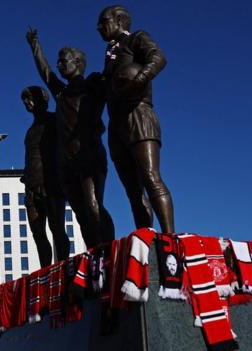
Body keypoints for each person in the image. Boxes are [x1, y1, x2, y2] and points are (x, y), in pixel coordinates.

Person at [25, 27, 115, 248]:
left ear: (77, 62)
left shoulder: (92, 86)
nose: (59, 64)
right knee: (80, 213)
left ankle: (109, 247)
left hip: (89, 154)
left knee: (93, 206)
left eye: (63, 61)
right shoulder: (60, 93)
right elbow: (45, 71)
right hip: (67, 161)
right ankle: (94, 252)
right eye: (58, 61)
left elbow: (111, 76)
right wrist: (34, 45)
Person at [97, 5, 175, 233]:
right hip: (116, 123)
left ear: (119, 20)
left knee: (151, 177)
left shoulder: (136, 39)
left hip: (138, 115)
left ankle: (170, 239)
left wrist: (138, 80)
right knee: (133, 191)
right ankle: (146, 240)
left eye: (104, 21)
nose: (98, 28)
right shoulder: (110, 55)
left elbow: (158, 57)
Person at [20, 86, 70, 267]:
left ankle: (63, 269)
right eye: (24, 99)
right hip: (31, 188)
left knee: (57, 229)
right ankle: (46, 271)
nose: (27, 102)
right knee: (38, 234)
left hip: (51, 185)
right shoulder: (29, 131)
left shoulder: (54, 121)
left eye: (29, 98)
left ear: (43, 98)